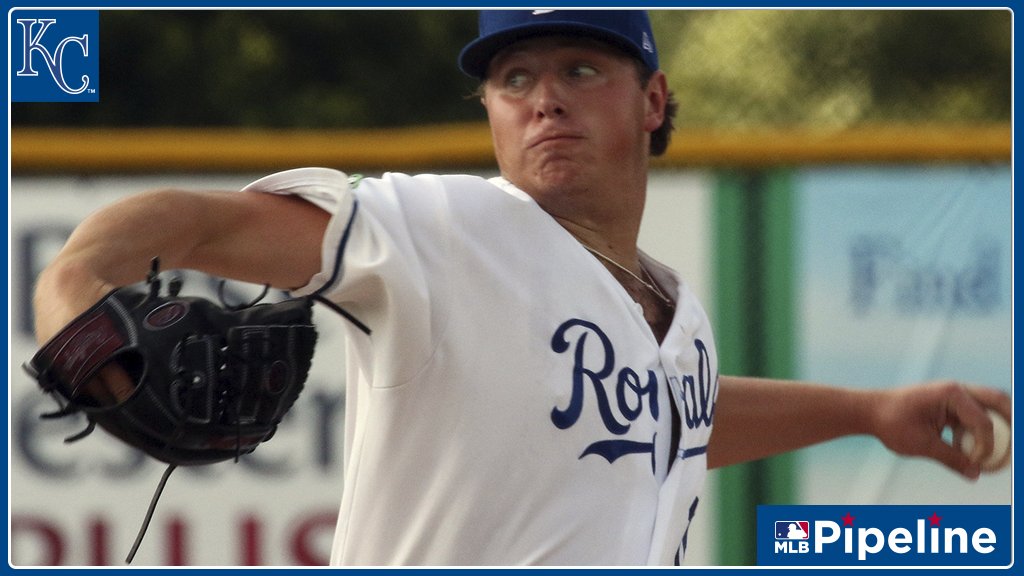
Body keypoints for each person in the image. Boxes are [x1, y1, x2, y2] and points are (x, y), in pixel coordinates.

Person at [31, 10, 1010, 567]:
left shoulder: (674, 311)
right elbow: (193, 219)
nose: (545, 96)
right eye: (514, 77)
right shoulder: (444, 231)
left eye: (582, 67)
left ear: (654, 101)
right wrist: (74, 285)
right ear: (491, 112)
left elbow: (675, 425)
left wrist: (867, 409)